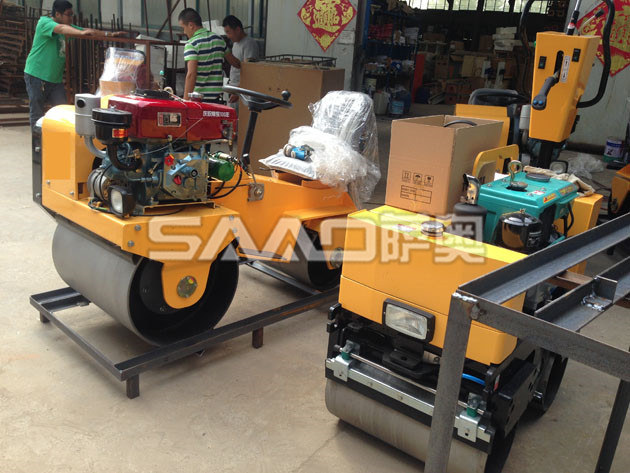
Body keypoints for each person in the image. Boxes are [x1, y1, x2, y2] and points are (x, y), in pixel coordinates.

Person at [24, 0, 124, 128]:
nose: (71, 18)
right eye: (68, 14)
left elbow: (87, 30)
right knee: (37, 110)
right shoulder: (44, 23)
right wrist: (81, 33)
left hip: (54, 79)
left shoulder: (69, 29)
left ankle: (58, 136)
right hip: (37, 75)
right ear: (58, 14)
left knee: (61, 109)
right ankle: (37, 139)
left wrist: (110, 34)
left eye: (72, 14)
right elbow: (62, 29)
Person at [178, 8, 226, 103]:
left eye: (183, 28)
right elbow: (233, 62)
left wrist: (185, 101)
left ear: (191, 25)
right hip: (217, 99)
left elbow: (191, 74)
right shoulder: (219, 40)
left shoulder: (191, 44)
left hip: (199, 99)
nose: (184, 32)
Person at [223, 15, 260, 107]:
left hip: (243, 90)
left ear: (238, 30)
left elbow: (250, 71)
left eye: (228, 32)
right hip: (234, 87)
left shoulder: (249, 44)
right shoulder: (235, 43)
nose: (228, 36)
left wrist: (239, 91)